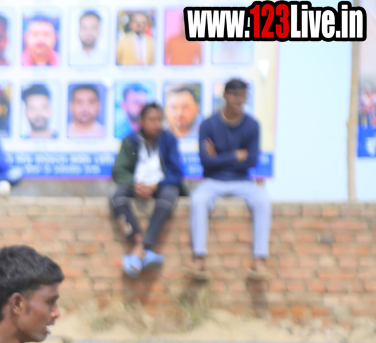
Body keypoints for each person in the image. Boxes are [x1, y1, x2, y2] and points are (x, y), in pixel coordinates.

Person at [190, 79, 270, 282]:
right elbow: (205, 161)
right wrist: (235, 155)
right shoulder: (208, 125)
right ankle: (199, 258)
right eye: (235, 95)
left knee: (263, 200)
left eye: (243, 96)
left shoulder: (252, 125)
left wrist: (219, 157)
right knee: (198, 200)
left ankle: (259, 259)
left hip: (242, 181)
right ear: (225, 96)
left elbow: (251, 161)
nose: (239, 100)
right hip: (213, 181)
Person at [110, 102, 185, 276]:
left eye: (159, 120)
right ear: (141, 121)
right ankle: (140, 242)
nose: (156, 124)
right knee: (117, 196)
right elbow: (119, 170)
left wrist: (156, 185)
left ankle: (140, 249)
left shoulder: (169, 140)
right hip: (136, 185)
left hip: (160, 185)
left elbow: (176, 173)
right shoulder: (130, 141)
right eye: (151, 120)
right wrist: (134, 184)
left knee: (170, 194)